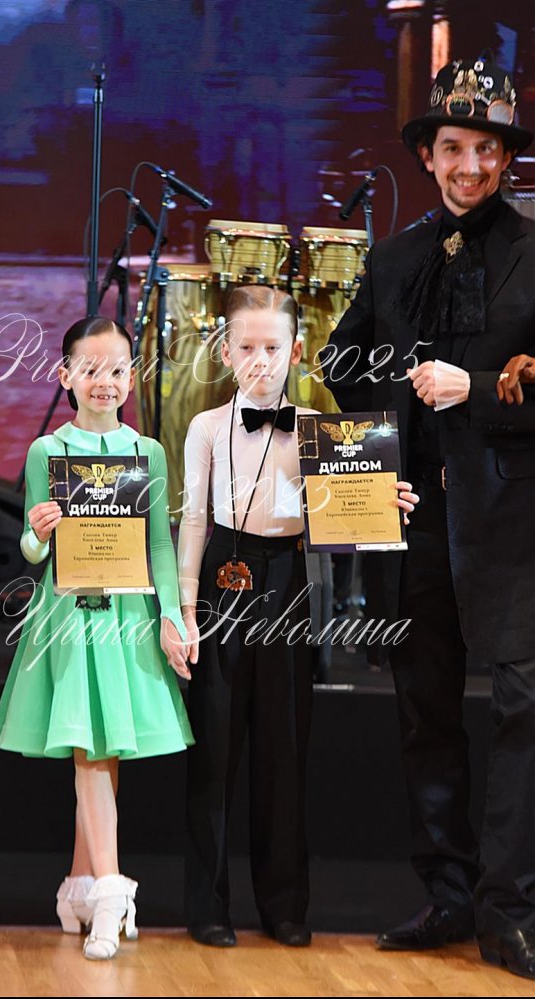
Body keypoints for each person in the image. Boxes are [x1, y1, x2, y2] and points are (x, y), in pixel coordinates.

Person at [322, 53, 535, 980]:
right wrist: (384, 462)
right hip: (415, 527)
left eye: (487, 149)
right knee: (425, 712)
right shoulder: (394, 257)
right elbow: (341, 367)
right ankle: (447, 894)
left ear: (507, 158)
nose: (470, 166)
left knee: (524, 710)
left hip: (516, 525)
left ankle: (509, 908)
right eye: (454, 147)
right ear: (428, 154)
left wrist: (474, 388)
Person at [179, 285, 416, 948]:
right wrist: (184, 607)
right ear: (226, 352)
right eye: (247, 347)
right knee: (215, 747)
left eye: (273, 347)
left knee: (284, 746)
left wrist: (382, 503)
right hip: (222, 575)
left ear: (297, 350)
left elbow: (340, 523)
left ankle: (284, 904)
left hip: (288, 577)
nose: (260, 360)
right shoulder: (205, 428)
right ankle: (207, 905)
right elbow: (193, 519)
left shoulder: (318, 427)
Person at [0, 316, 193, 960]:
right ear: (66, 375)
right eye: (91, 369)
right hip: (70, 615)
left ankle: (78, 883)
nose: (106, 381)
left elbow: (160, 544)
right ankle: (109, 889)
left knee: (105, 745)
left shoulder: (147, 452)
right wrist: (39, 532)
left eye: (117, 369)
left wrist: (171, 615)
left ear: (132, 377)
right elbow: (30, 548)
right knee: (89, 748)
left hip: (127, 613)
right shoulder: (48, 450)